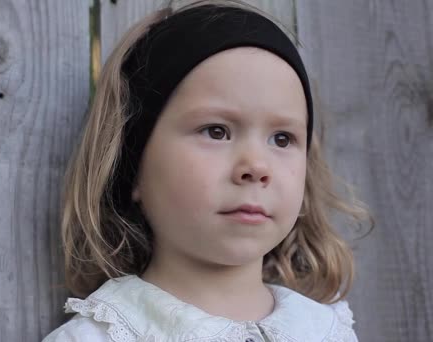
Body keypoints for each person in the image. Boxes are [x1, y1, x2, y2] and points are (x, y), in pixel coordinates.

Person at [44, 1, 371, 341]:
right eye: (216, 131)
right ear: (132, 162)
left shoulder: (326, 331)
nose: (257, 167)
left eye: (282, 138)